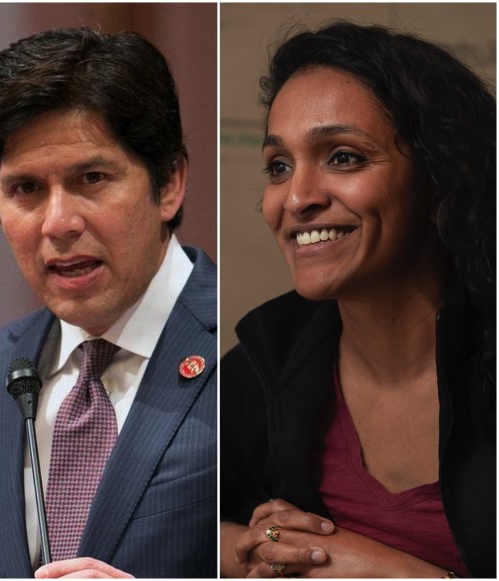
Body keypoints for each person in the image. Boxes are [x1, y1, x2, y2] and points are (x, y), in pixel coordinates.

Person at [220, 21, 495, 578]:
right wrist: (263, 542)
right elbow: (209, 520)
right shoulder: (259, 364)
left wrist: (391, 572)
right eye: (279, 166)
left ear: (440, 179)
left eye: (343, 156)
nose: (296, 199)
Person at [0, 27, 216, 578]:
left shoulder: (252, 351)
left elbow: (286, 540)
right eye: (25, 190)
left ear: (170, 184)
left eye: (92, 178)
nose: (59, 224)